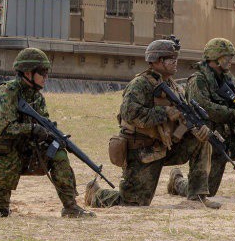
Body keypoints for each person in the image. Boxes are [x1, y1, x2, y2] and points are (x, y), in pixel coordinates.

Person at [0, 48, 95, 218]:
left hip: (26, 153)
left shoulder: (37, 97)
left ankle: (71, 207)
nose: (46, 77)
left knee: (58, 152)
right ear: (28, 73)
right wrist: (33, 129)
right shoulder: (6, 93)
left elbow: (44, 122)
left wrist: (51, 134)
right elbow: (5, 129)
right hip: (0, 158)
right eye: (42, 72)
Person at [85, 39, 220, 209]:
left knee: (202, 141)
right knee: (134, 202)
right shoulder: (140, 84)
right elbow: (129, 114)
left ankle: (197, 197)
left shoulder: (175, 87)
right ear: (156, 61)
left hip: (167, 146)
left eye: (175, 58)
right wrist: (164, 113)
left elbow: (181, 121)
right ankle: (95, 195)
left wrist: (195, 129)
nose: (175, 62)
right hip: (142, 150)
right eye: (170, 58)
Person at [167, 37, 235, 199]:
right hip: (209, 139)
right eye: (228, 58)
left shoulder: (229, 79)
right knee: (205, 191)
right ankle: (177, 181)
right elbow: (204, 108)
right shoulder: (198, 80)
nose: (231, 62)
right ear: (216, 58)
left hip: (229, 137)